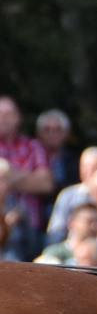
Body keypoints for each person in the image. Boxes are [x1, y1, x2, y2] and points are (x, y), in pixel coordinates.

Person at [0, 96, 52, 229]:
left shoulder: (34, 146)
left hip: (31, 222)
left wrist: (7, 175)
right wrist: (28, 176)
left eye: (8, 114)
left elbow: (45, 184)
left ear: (18, 118)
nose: (3, 119)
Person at [45, 147, 97, 240]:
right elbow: (55, 232)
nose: (92, 172)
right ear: (81, 171)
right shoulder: (68, 195)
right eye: (88, 168)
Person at [35, 108, 75, 199]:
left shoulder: (74, 160)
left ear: (66, 133)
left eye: (57, 130)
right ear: (38, 133)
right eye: (47, 130)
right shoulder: (31, 158)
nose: (52, 134)